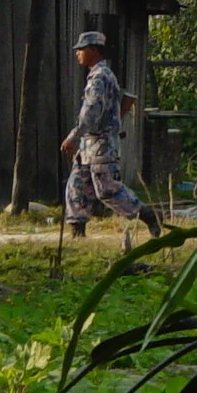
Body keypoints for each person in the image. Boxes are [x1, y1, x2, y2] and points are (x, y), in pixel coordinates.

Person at [61, 31, 162, 239]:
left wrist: (73, 136)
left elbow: (90, 113)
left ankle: (148, 215)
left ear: (93, 50)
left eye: (81, 49)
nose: (78, 53)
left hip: (102, 144)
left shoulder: (99, 78)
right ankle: (77, 232)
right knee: (77, 185)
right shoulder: (98, 76)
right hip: (89, 145)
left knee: (107, 190)